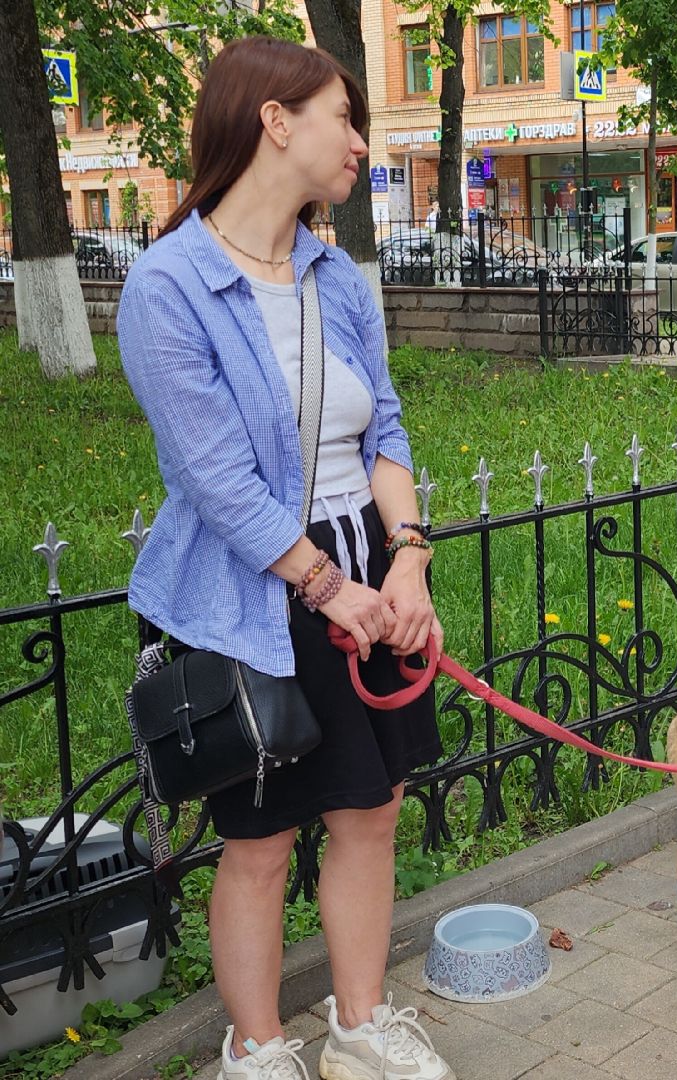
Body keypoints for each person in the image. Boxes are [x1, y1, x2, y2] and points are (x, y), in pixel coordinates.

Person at [118, 37, 451, 1080]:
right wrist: (326, 587)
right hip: (248, 593)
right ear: (275, 120)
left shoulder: (336, 278)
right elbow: (216, 481)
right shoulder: (167, 288)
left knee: (371, 809)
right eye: (345, 119)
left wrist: (407, 563)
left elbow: (384, 429)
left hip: (366, 563)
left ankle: (359, 1027)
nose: (360, 142)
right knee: (259, 842)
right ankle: (257, 1049)